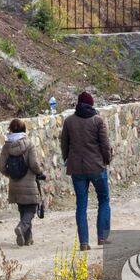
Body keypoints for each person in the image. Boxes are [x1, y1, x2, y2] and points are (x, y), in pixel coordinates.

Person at [60, 91, 111, 250]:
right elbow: (105, 145)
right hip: (96, 166)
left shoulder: (69, 121)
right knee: (103, 200)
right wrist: (106, 160)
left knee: (81, 204)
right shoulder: (98, 121)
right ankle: (102, 237)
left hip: (77, 168)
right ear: (91, 104)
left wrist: (67, 159)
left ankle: (84, 242)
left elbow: (64, 144)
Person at [0, 118, 47, 246]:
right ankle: (21, 227)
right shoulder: (29, 144)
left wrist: (10, 174)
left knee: (22, 208)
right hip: (29, 182)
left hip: (14, 183)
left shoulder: (6, 146)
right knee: (31, 208)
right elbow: (34, 164)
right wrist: (40, 172)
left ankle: (27, 238)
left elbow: (1, 166)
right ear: (24, 129)